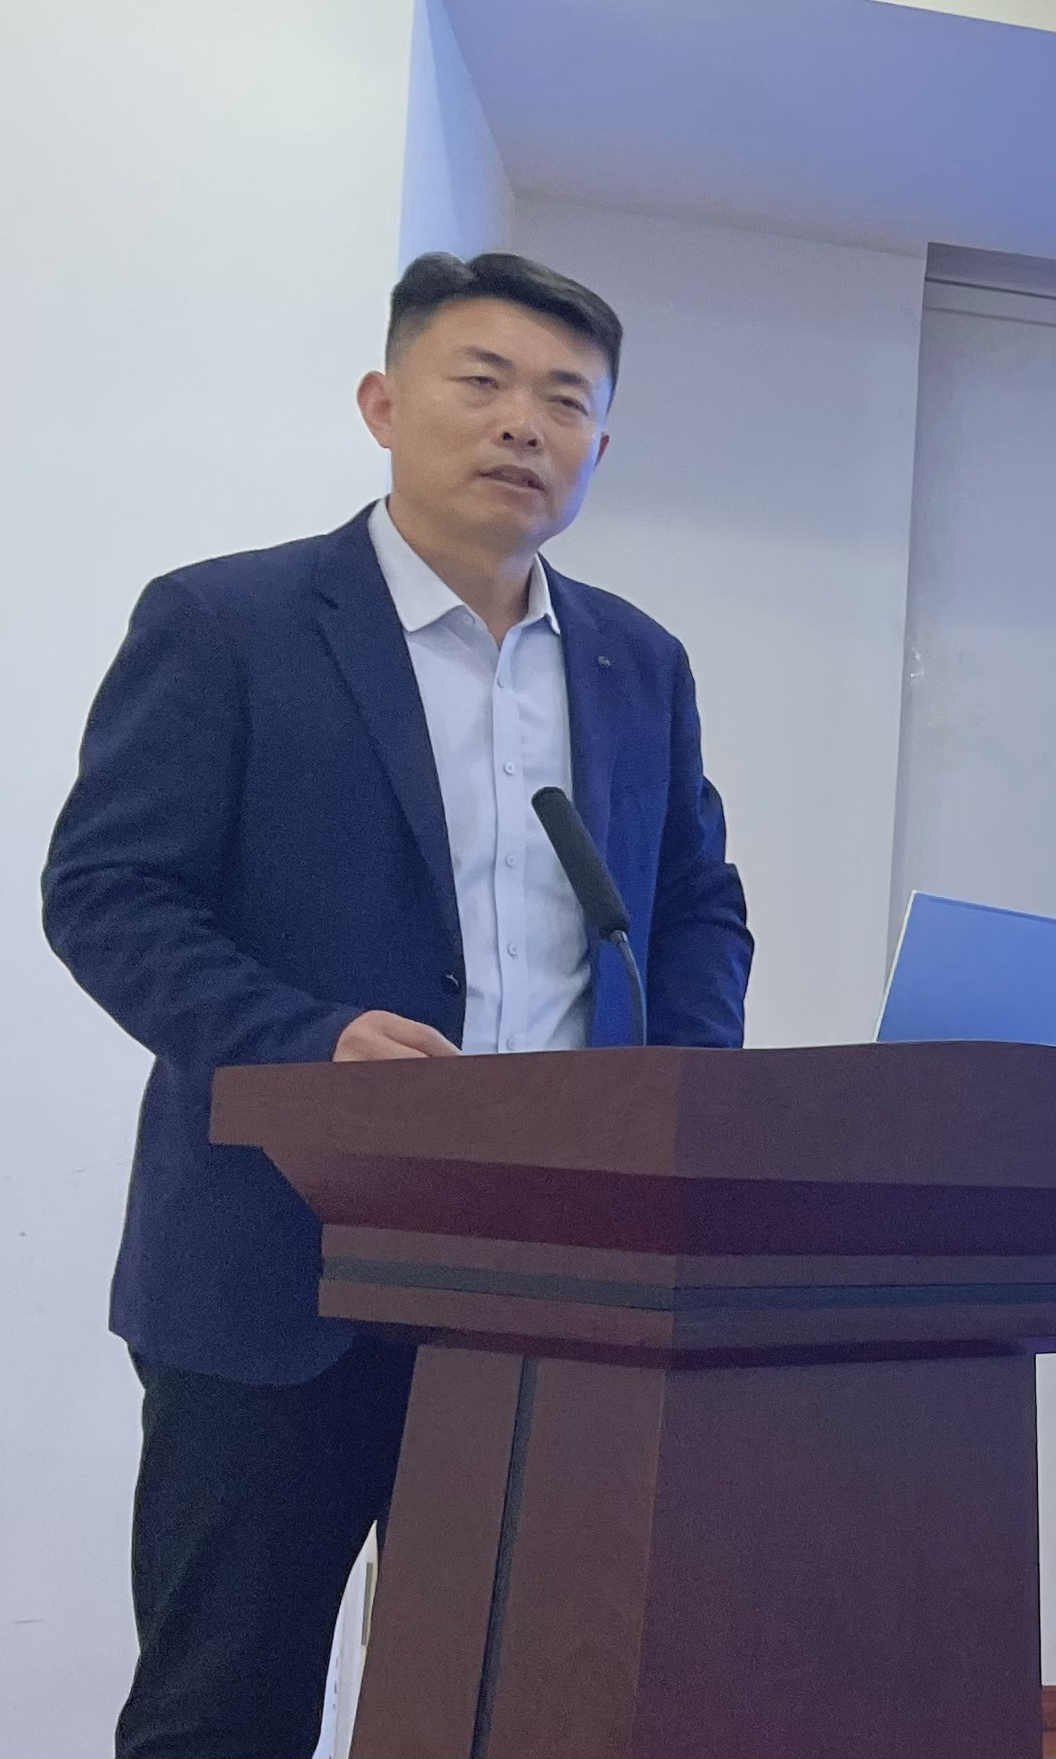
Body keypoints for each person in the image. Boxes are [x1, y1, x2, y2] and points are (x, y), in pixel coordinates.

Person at [41, 251, 751, 1759]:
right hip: (281, 1259)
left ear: (601, 445)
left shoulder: (638, 663)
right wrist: (310, 1045)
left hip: (559, 1274)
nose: (524, 425)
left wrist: (678, 1092)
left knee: (529, 1701)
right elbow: (109, 893)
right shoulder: (229, 622)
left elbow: (696, 904)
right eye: (481, 382)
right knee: (225, 1704)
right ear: (382, 402)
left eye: (567, 401)